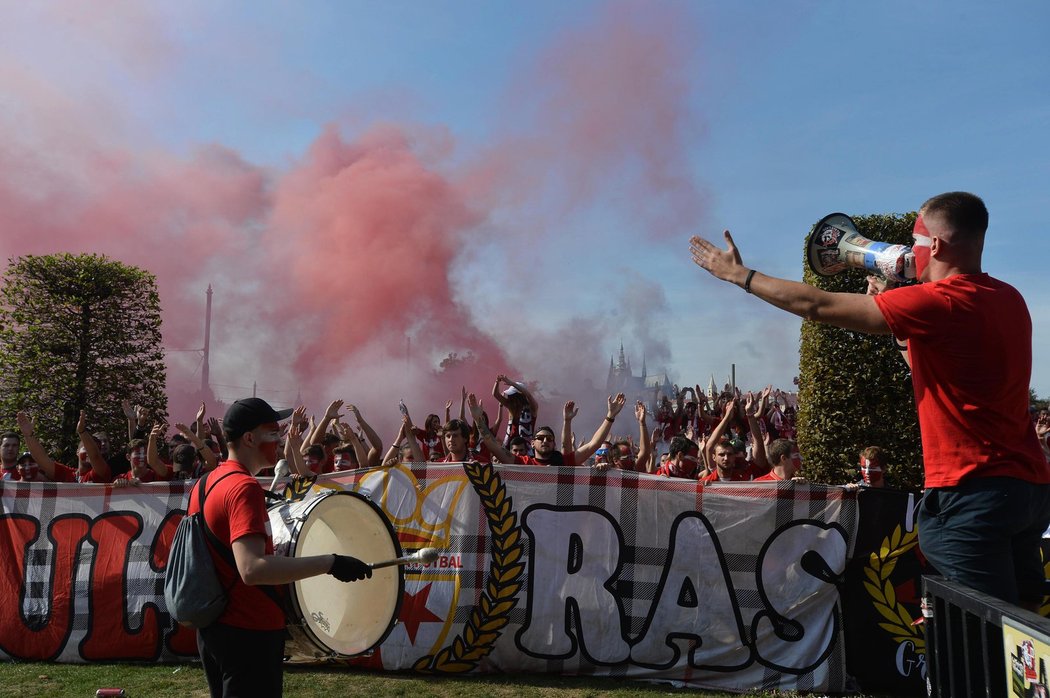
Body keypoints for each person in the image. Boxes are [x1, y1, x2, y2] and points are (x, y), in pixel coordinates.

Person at [689, 191, 1050, 607]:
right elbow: (937, 370)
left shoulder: (938, 302)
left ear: (934, 246)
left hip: (970, 491)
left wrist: (741, 276)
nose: (909, 254)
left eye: (914, 242)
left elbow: (816, 304)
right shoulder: (1009, 298)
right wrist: (897, 319)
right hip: (1028, 489)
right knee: (1025, 632)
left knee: (976, 635)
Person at [190, 397, 372, 697]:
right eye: (273, 433)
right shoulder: (242, 488)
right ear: (249, 438)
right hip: (248, 630)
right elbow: (252, 568)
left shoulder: (207, 482)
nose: (280, 439)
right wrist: (331, 563)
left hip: (216, 630)